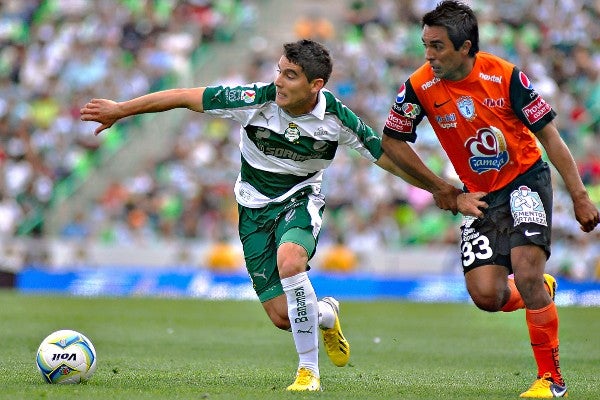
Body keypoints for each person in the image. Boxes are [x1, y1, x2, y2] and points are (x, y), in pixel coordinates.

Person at [81, 39, 461, 392]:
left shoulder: (338, 119)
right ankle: (325, 313)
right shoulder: (252, 99)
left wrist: (440, 188)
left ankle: (307, 372)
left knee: (290, 261)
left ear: (316, 85)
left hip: (301, 197)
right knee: (283, 317)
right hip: (252, 207)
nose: (277, 81)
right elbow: (183, 96)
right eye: (279, 71)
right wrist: (120, 110)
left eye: (289, 75)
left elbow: (387, 159)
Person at [380, 1, 600, 398]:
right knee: (487, 296)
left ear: (465, 48)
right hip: (477, 195)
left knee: (527, 272)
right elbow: (391, 141)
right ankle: (540, 294)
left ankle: (552, 380)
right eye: (425, 45)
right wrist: (442, 188)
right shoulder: (418, 86)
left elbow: (550, 136)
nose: (428, 56)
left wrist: (579, 197)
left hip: (524, 181)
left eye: (438, 47)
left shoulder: (506, 77)